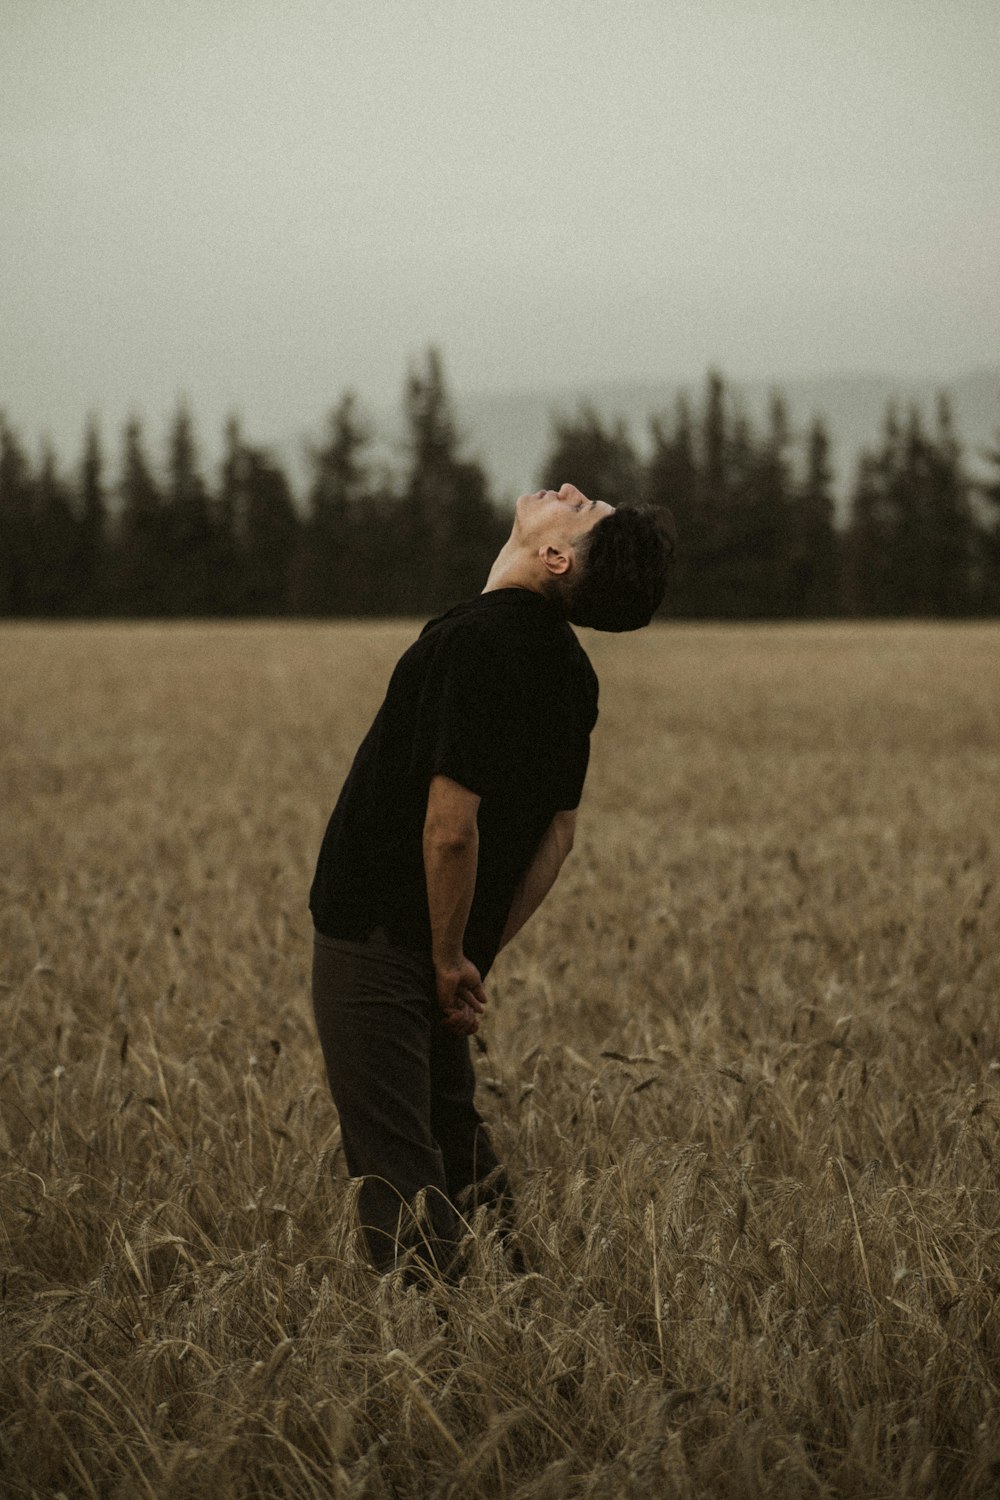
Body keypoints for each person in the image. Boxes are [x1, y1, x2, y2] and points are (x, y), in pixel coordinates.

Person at [309, 483, 674, 1278]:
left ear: (555, 557)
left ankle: (435, 1360)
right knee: (453, 1138)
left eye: (585, 512)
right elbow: (559, 837)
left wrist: (445, 956)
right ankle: (516, 1314)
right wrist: (475, 948)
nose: (576, 491)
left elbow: (449, 828)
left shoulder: (471, 643)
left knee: (396, 1161)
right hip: (449, 945)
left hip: (378, 937)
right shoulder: (570, 670)